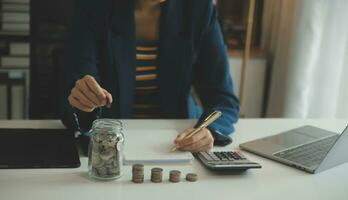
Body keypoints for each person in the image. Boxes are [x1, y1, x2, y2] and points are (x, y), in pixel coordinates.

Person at [61, 0, 240, 152]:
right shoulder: (94, 7)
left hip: (176, 142)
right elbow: (73, 91)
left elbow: (224, 100)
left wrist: (209, 130)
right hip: (110, 143)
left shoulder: (199, 8)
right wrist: (82, 100)